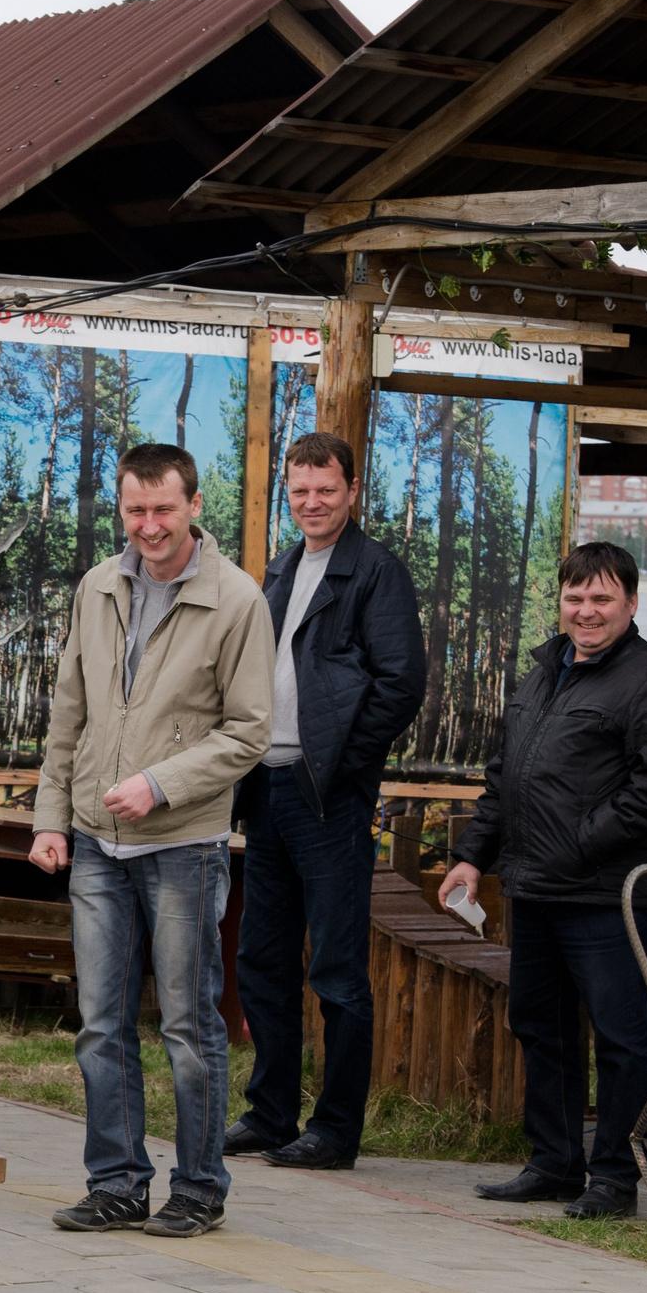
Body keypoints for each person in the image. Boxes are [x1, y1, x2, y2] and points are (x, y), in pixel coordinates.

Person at [30, 442, 272, 1238]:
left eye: (163, 509)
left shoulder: (237, 600)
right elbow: (70, 712)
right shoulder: (97, 586)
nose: (149, 525)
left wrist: (161, 783)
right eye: (135, 510)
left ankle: (199, 1189)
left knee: (189, 1027)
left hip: (183, 844)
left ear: (195, 505)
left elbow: (249, 733)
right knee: (100, 1023)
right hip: (96, 843)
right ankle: (116, 1184)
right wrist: (49, 819)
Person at [443, 541, 647, 1221]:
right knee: (541, 1027)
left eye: (602, 599)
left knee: (618, 1039)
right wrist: (472, 855)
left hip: (601, 893)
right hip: (533, 888)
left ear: (632, 604)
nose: (586, 612)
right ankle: (555, 1163)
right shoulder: (542, 671)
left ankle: (614, 1180)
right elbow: (507, 778)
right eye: (575, 598)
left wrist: (581, 842)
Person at [228, 433, 425, 1172]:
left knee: (337, 970)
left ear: (351, 491)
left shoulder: (376, 572)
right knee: (262, 960)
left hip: (328, 797)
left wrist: (338, 764)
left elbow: (399, 684)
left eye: (326, 490)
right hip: (268, 789)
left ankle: (335, 1130)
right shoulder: (279, 568)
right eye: (300, 490)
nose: (313, 503)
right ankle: (270, 1114)